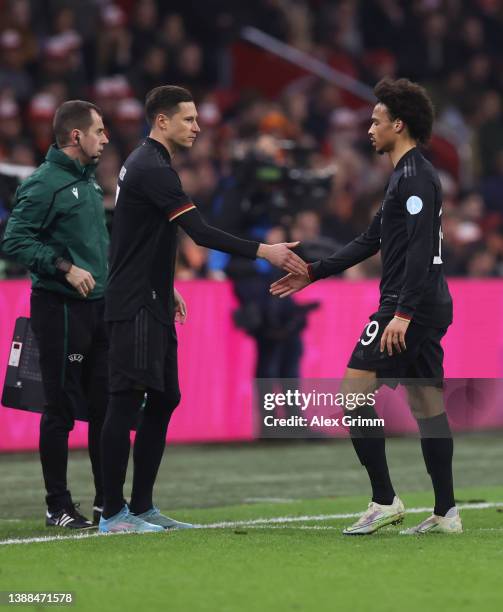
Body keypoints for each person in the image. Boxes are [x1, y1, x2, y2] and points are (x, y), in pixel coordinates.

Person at [99, 85, 307, 533]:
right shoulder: (151, 167)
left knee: (165, 397)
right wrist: (263, 251)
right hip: (133, 302)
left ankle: (142, 507)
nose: (197, 126)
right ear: (162, 121)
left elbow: (141, 235)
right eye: (189, 119)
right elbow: (201, 232)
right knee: (124, 401)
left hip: (151, 295)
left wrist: (166, 282)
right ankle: (112, 513)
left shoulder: (153, 164)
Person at [271, 78, 462, 535]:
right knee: (427, 405)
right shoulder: (405, 175)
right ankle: (446, 511)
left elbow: (418, 250)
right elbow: (370, 239)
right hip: (426, 304)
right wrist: (314, 271)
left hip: (406, 305)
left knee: (351, 395)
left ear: (399, 124)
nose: (369, 129)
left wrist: (401, 313)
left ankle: (384, 500)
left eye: (376, 121)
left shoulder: (414, 176)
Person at [1, 100, 110, 529]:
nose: (105, 138)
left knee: (105, 407)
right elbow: (13, 240)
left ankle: (108, 503)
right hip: (60, 309)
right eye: (99, 131)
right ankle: (57, 505)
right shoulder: (44, 184)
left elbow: (97, 250)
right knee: (60, 408)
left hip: (99, 309)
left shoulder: (90, 183)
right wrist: (63, 268)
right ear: (76, 136)